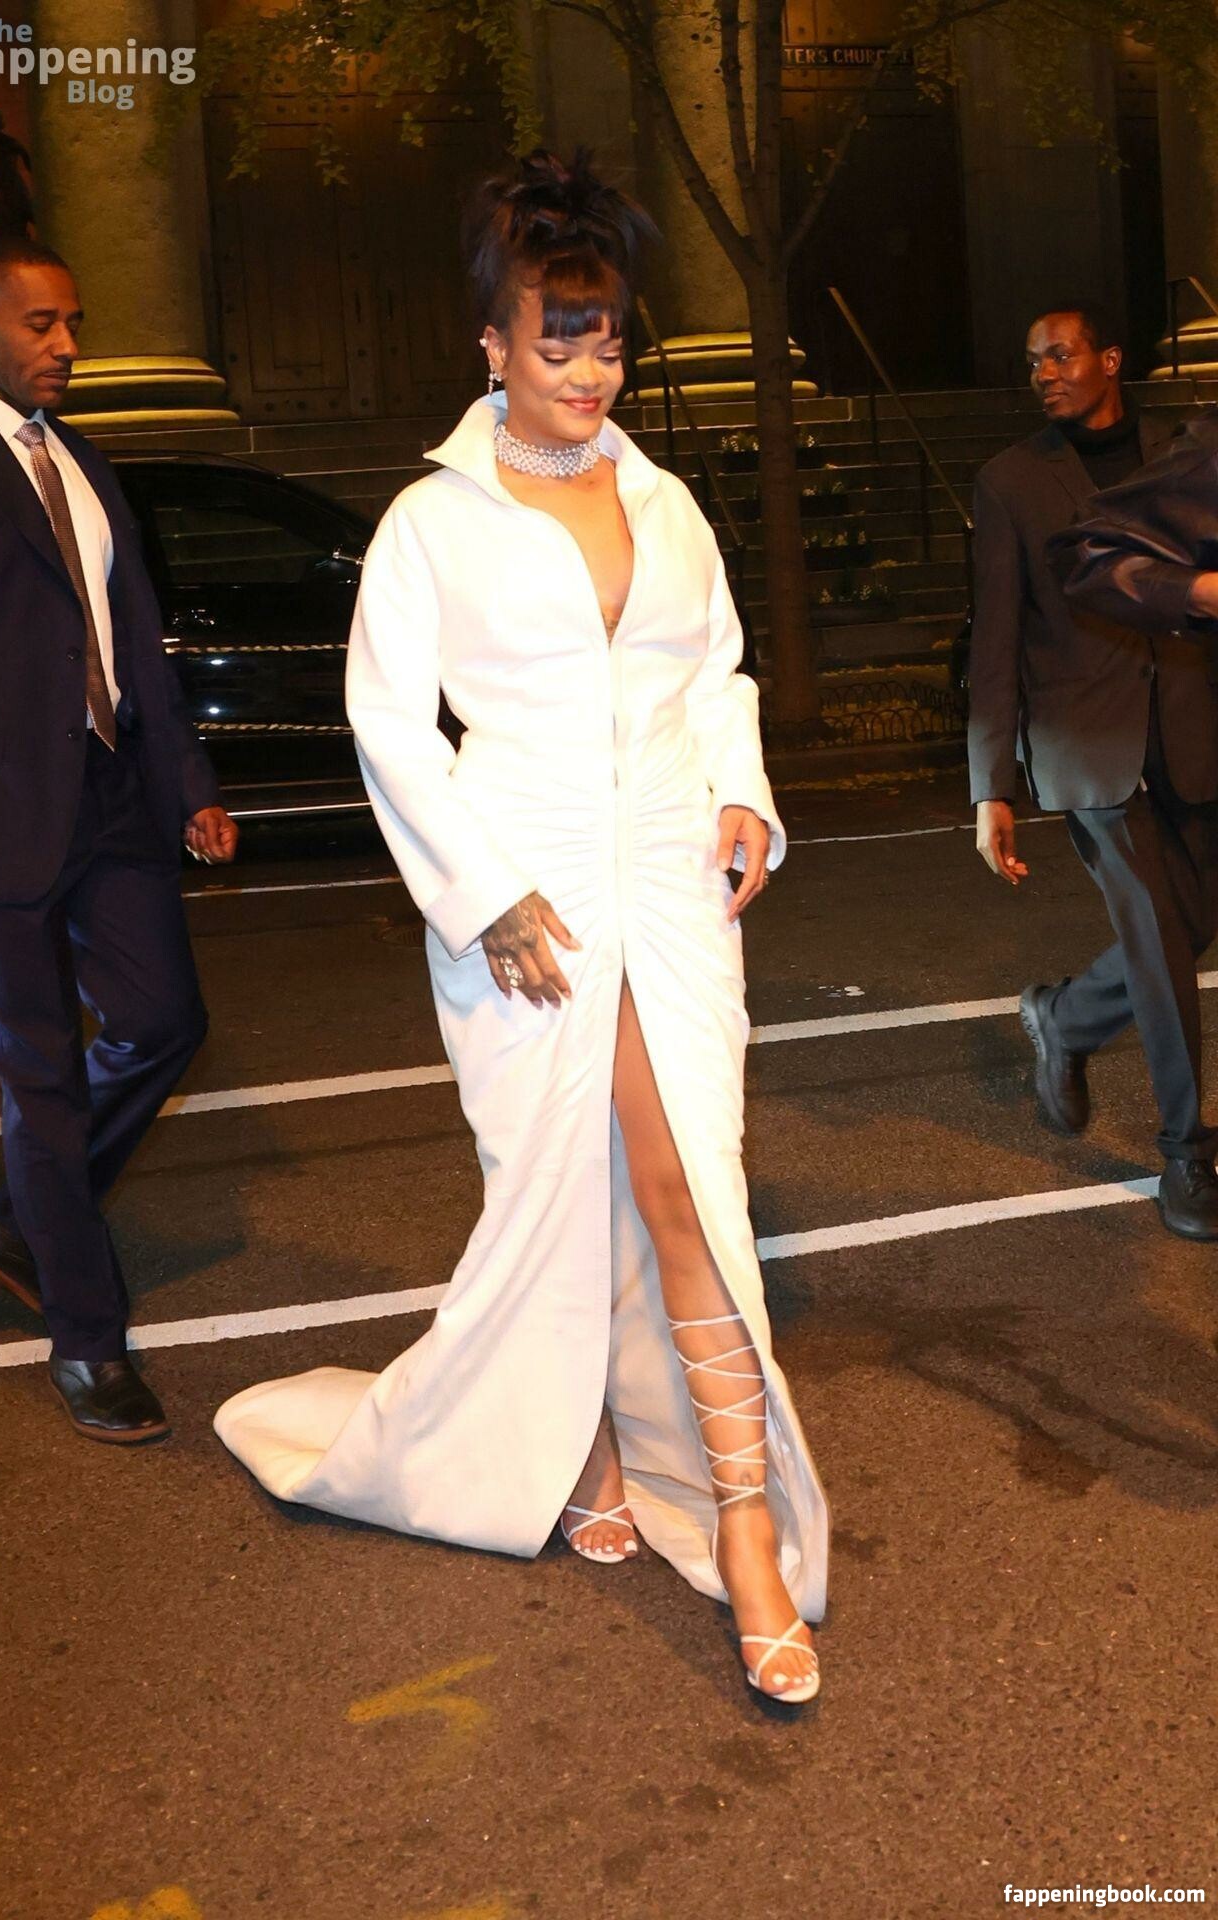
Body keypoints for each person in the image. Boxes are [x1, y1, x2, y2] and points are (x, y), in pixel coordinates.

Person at [216, 151, 828, 1703]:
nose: (589, 372)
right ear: (493, 344)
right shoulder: (435, 521)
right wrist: (482, 894)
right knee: (563, 1202)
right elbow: (390, 726)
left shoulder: (666, 502)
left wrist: (743, 792)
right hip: (523, 902)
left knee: (688, 1191)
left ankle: (744, 1521)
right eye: (559, 343)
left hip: (671, 884)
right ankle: (594, 1448)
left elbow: (715, 674)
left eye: (608, 340)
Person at [0, 236, 238, 1440]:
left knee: (167, 1021)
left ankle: (19, 1219)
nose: (68, 345)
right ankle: (86, 1341)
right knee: (44, 1079)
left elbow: (133, 640)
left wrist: (186, 785)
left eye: (73, 324)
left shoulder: (80, 460)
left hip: (111, 796)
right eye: (42, 324)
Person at [967, 304, 1218, 1238]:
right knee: (1155, 933)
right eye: (1033, 360)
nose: (1044, 372)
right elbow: (995, 635)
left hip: (1191, 723)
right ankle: (1186, 1155)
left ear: (1110, 358)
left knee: (1189, 924)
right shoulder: (1009, 481)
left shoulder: (1181, 453)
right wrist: (991, 784)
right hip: (1086, 743)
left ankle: (1066, 1021)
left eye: (1061, 355)